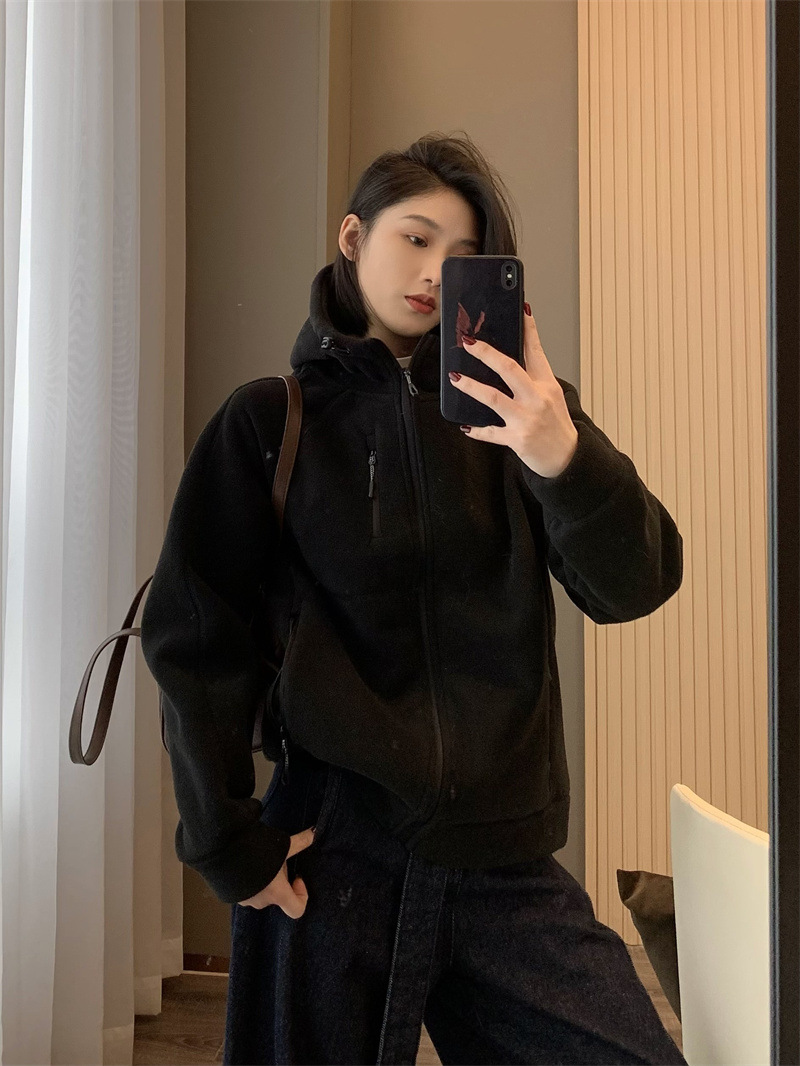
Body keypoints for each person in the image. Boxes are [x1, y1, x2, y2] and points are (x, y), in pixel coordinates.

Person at [140, 132, 687, 1066]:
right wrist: (227, 842)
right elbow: (196, 639)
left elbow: (637, 585)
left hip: (502, 855)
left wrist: (561, 453)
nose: (437, 273)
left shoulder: (524, 416)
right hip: (331, 854)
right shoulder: (269, 419)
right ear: (354, 238)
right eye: (417, 239)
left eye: (464, 256)